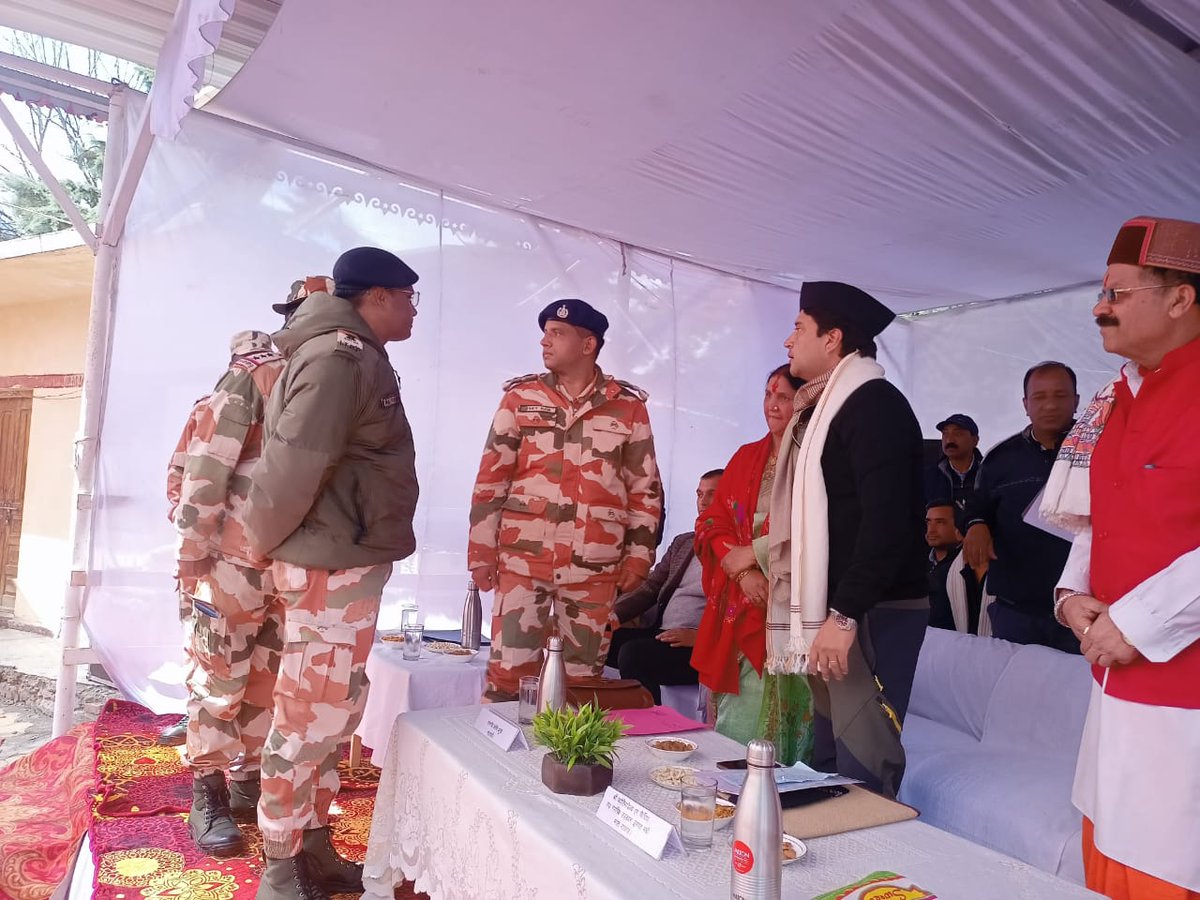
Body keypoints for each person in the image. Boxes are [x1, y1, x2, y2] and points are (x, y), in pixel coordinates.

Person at [244, 248, 420, 899]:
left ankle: (311, 845)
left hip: (343, 565)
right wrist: (261, 548)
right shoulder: (340, 358)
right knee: (304, 718)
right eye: (408, 296)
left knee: (332, 714)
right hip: (328, 569)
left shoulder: (354, 354)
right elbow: (291, 465)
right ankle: (281, 868)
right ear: (376, 296)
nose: (413, 309)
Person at [1043, 215, 1200, 899]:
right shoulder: (1117, 397)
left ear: (1180, 298)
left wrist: (1133, 624)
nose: (1100, 307)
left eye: (1119, 292)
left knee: (1169, 868)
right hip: (1111, 693)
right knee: (1106, 862)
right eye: (1101, 292)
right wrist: (1071, 597)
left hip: (1184, 705)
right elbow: (1097, 522)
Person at [768, 282, 928, 798]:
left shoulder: (872, 405)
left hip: (870, 611)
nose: (788, 342)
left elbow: (887, 524)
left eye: (798, 328)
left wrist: (844, 615)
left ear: (833, 338)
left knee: (864, 758)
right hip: (837, 609)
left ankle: (871, 874)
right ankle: (834, 872)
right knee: (829, 759)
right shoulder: (822, 408)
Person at [158, 277, 331, 752]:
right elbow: (207, 468)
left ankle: (246, 778)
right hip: (232, 562)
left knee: (267, 679)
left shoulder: (330, 377)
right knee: (218, 676)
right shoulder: (257, 375)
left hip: (292, 561)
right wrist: (192, 550)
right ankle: (207, 788)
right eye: (300, 311)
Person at [468, 298, 662, 700]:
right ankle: (498, 760)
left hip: (595, 567)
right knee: (509, 676)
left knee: (581, 684)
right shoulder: (520, 399)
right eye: (545, 333)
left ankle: (563, 764)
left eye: (556, 333)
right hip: (524, 560)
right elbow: (491, 479)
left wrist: (639, 558)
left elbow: (644, 490)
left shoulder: (628, 407)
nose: (544, 342)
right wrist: (482, 553)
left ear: (588, 344)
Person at [693, 365, 815, 765]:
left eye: (782, 396)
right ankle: (734, 787)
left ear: (803, 400)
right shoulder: (746, 457)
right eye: (767, 395)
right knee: (741, 707)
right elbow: (712, 522)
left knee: (795, 694)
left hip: (793, 598)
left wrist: (757, 554)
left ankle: (786, 795)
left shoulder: (815, 458)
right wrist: (744, 572)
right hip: (744, 598)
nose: (772, 405)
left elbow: (815, 526)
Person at [963, 361, 1080, 652]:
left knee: (1079, 694)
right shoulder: (1000, 458)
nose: (1050, 405)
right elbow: (977, 506)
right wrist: (975, 524)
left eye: (1060, 395)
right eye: (1039, 397)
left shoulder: (1102, 450)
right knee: (1017, 691)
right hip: (1016, 611)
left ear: (1076, 401)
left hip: (1082, 607)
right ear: (1025, 404)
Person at [606, 469, 723, 704]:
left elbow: (739, 611)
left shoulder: (737, 549)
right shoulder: (684, 542)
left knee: (633, 655)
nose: (703, 501)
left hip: (700, 646)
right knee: (599, 642)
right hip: (663, 635)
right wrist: (613, 616)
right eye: (699, 494)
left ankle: (652, 728)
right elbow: (650, 588)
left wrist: (701, 638)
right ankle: (592, 721)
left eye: (713, 494)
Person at [925, 502, 988, 635]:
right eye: (929, 523)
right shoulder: (923, 568)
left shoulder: (958, 573)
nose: (931, 530)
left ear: (958, 530)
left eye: (940, 522)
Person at [924, 413, 983, 528]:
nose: (949, 439)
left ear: (975, 440)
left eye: (958, 433)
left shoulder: (990, 474)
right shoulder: (928, 477)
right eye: (945, 434)